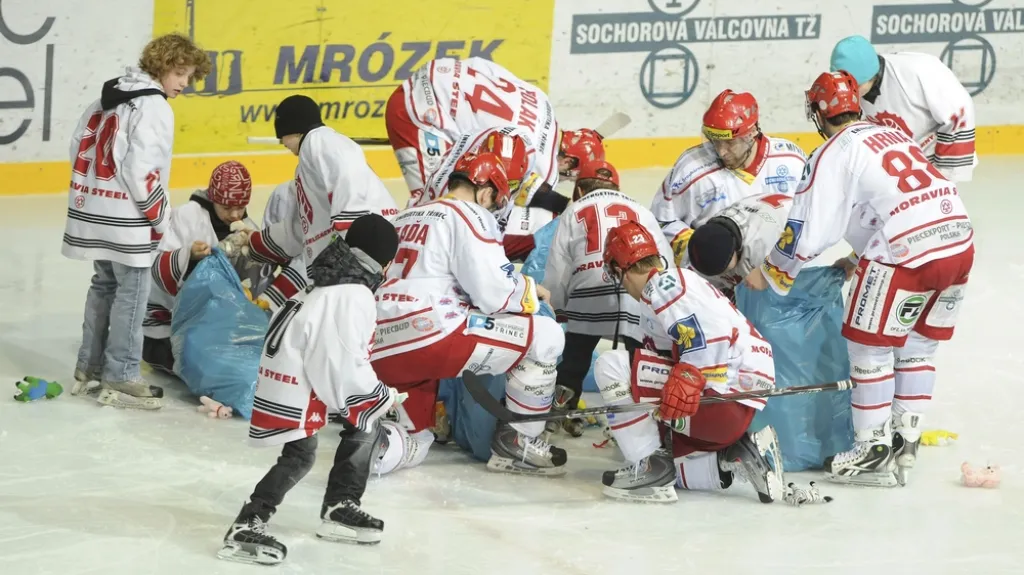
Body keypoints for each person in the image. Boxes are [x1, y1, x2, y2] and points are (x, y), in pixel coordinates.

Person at [751, 71, 974, 487]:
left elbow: (811, 227)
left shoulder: (834, 152)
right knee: (918, 343)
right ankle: (906, 438)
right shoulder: (894, 134)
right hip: (958, 239)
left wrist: (773, 273)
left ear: (819, 112)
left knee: (867, 347)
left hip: (907, 254)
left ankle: (871, 449)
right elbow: (900, 198)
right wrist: (857, 256)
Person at [369, 152, 568, 477]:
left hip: (379, 346)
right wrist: (530, 291)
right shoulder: (471, 214)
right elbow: (493, 292)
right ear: (486, 192)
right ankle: (519, 441)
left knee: (416, 441)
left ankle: (375, 450)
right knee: (547, 336)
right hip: (431, 335)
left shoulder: (404, 217)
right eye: (494, 202)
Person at [218, 215, 401, 566]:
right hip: (297, 380)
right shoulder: (354, 293)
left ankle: (339, 506)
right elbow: (342, 361)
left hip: (287, 372)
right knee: (306, 453)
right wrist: (378, 395)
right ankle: (247, 524)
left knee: (358, 425)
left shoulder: (327, 276)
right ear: (386, 262)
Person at [63, 33, 212, 410]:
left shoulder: (108, 96)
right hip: (128, 217)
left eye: (189, 76)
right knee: (133, 293)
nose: (184, 83)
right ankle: (123, 372)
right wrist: (161, 218)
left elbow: (76, 146)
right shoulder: (155, 106)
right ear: (161, 67)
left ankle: (89, 366)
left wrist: (96, 193)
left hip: (94, 210)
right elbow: (142, 170)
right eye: (180, 73)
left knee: (104, 284)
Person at [594, 222, 782, 504]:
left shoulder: (664, 285)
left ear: (620, 269)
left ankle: (648, 469)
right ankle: (731, 455)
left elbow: (713, 333)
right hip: (730, 413)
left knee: (610, 365)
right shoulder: (677, 285)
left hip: (718, 401)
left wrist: (690, 376)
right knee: (666, 452)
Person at [541, 159, 673, 435]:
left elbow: (559, 264)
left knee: (575, 358)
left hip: (587, 290)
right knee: (641, 360)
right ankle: (643, 420)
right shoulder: (640, 210)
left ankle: (558, 410)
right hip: (636, 286)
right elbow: (664, 259)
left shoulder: (574, 209)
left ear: (580, 189)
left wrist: (558, 306)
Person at [246, 95, 399, 312]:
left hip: (369, 251)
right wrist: (255, 243)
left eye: (283, 136)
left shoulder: (320, 141)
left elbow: (347, 178)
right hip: (363, 252)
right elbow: (304, 227)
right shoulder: (307, 161)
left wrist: (353, 243)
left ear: (294, 129)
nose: (282, 143)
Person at [384, 56, 601, 208]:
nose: (563, 178)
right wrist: (567, 206)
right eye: (569, 175)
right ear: (569, 162)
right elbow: (527, 197)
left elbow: (480, 65)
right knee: (433, 206)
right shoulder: (546, 167)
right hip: (418, 112)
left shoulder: (542, 99)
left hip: (436, 71)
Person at [650, 89, 806, 267]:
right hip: (717, 283)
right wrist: (705, 250)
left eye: (730, 142)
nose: (721, 151)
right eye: (715, 141)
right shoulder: (691, 169)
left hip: (780, 274)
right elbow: (661, 222)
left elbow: (813, 214)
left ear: (751, 132)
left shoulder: (792, 162)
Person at [143, 161, 261, 372]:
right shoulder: (186, 216)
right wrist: (189, 256)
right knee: (201, 367)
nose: (235, 215)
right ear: (213, 199)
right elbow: (156, 267)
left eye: (240, 207)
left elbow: (254, 285)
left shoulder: (249, 228)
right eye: (227, 208)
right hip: (167, 323)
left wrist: (255, 254)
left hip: (215, 324)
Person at [830, 35, 977, 182]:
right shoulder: (853, 88)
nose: (850, 94)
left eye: (857, 86)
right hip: (900, 166)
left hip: (935, 157)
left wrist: (945, 174)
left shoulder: (920, 70)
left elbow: (959, 112)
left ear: (871, 75)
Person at [684, 192, 792, 301]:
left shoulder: (763, 246)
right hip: (762, 210)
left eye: (723, 270)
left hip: (795, 240)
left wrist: (767, 274)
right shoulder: (711, 231)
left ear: (734, 251)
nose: (721, 274)